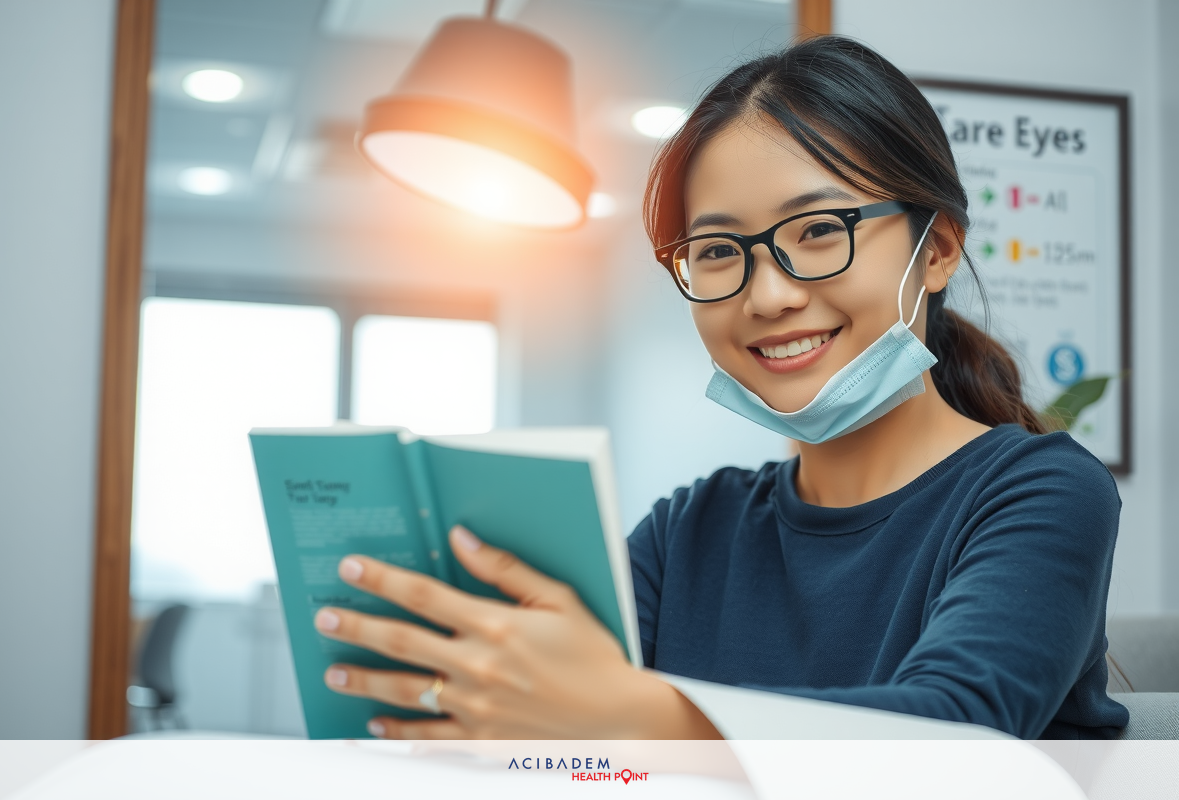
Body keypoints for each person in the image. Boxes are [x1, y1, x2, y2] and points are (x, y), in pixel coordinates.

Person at [311, 36, 1127, 740]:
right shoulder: (688, 532)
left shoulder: (1044, 492)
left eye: (817, 231)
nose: (767, 294)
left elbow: (957, 737)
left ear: (938, 249)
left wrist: (641, 717)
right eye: (717, 251)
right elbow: (568, 739)